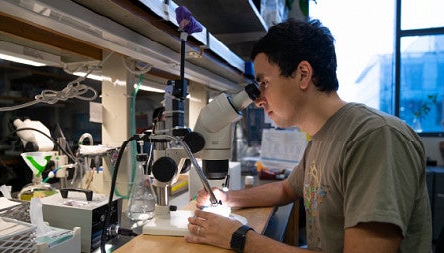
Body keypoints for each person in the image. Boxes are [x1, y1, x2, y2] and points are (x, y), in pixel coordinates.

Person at [184, 18, 432, 253]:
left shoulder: (375, 138)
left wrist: (239, 237)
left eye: (264, 83)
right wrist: (227, 198)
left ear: (303, 74)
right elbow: (286, 190)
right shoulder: (322, 138)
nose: (258, 100)